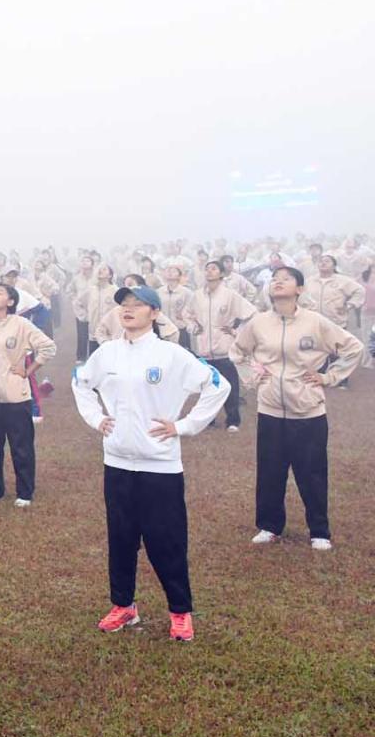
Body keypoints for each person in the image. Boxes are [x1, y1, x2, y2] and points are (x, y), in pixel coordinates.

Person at [71, 285, 231, 641]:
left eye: (137, 304)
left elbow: (218, 385)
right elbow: (80, 381)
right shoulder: (107, 353)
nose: (128, 310)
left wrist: (184, 425)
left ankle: (180, 611)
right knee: (121, 539)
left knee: (166, 541)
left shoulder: (171, 354)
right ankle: (123, 606)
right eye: (123, 304)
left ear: (155, 313)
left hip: (160, 467)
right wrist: (97, 418)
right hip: (117, 464)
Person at [233, 266, 362, 550]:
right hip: (270, 410)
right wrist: (254, 378)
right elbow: (237, 352)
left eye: (286, 279)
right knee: (270, 471)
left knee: (312, 472)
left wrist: (328, 377)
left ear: (300, 289)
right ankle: (269, 526)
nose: (278, 282)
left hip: (307, 411)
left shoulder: (315, 322)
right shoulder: (258, 323)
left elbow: (353, 348)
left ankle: (319, 531)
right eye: (275, 279)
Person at [0, 284, 56, 507]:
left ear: (11, 302)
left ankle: (24, 492)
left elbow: (48, 347)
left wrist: (28, 370)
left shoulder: (21, 325)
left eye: (0, 293)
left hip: (16, 396)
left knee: (21, 447)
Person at [184, 260, 255, 432]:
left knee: (230, 386)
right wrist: (193, 327)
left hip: (225, 349)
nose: (209, 271)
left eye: (213, 269)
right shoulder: (197, 295)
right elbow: (186, 314)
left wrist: (236, 331)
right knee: (207, 387)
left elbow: (251, 314)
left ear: (222, 274)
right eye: (207, 268)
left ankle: (233, 420)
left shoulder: (230, 295)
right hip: (204, 349)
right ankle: (208, 420)